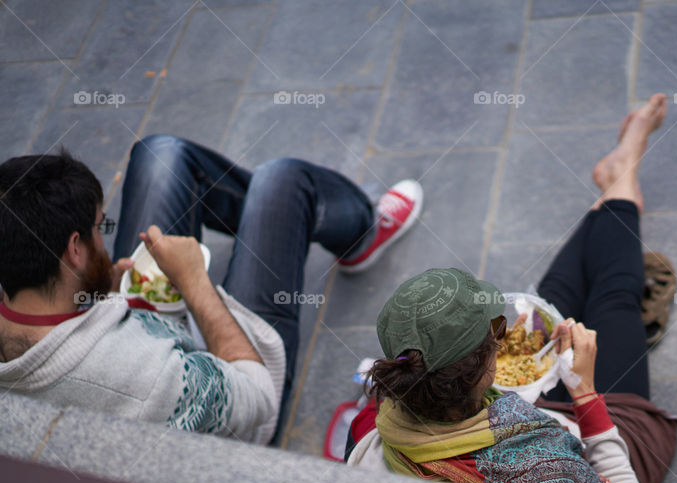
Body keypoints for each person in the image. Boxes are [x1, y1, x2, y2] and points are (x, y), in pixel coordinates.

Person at [345, 95, 677, 483]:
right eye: (496, 332)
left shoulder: (371, 430)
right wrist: (586, 394)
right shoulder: (543, 466)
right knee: (615, 299)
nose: (504, 333)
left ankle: (618, 184)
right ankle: (621, 176)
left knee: (553, 298)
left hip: (528, 409)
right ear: (490, 367)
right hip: (595, 434)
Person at [0, 136, 422, 445]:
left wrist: (94, 294)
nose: (103, 241)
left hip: (145, 327)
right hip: (238, 386)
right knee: (284, 180)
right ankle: (359, 233)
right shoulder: (144, 381)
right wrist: (195, 282)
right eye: (97, 229)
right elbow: (257, 397)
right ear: (75, 250)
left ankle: (276, 226)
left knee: (159, 154)